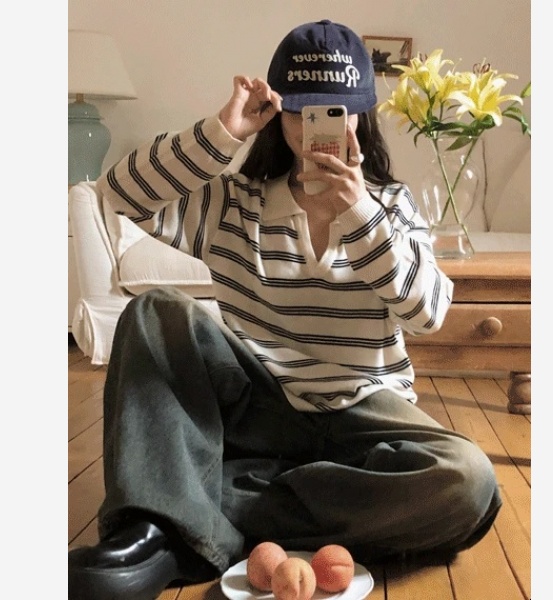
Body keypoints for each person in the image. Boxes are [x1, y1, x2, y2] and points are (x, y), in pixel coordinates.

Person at [68, 19, 501, 600]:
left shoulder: (391, 206)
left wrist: (360, 216)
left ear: (360, 114)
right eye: (301, 111)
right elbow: (118, 194)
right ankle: (159, 525)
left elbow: (427, 314)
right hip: (259, 408)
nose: (316, 127)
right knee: (155, 311)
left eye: (335, 110)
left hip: (364, 415)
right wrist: (221, 133)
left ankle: (191, 514)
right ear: (278, 113)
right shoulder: (234, 205)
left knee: (466, 480)